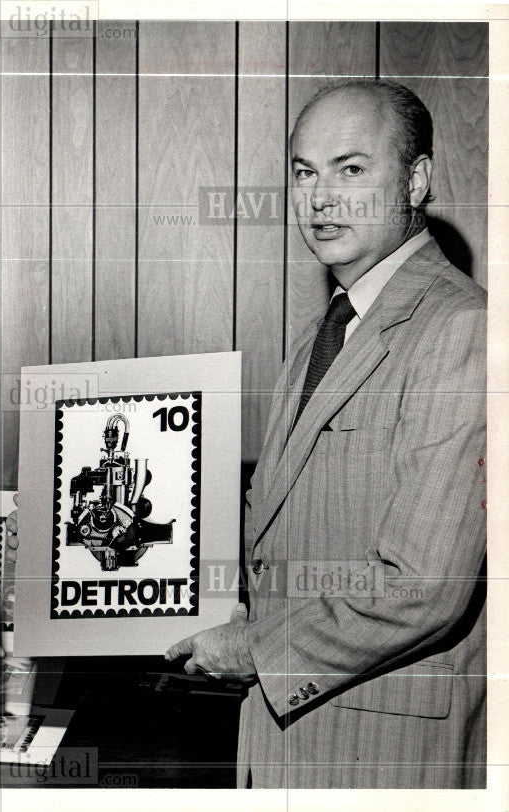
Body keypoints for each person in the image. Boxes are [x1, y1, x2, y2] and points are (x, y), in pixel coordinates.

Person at [165, 80, 486, 788]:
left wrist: (256, 649)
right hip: (286, 743)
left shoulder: (462, 329)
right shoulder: (322, 332)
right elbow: (275, 532)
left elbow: (425, 584)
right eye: (305, 172)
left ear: (417, 179)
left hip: (384, 759)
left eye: (351, 169)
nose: (320, 198)